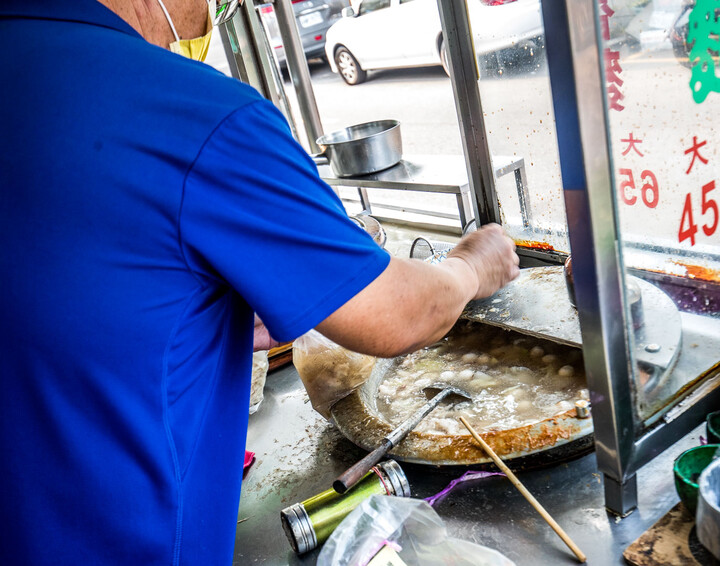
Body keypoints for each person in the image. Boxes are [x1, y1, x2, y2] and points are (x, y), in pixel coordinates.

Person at [0, 1, 519, 564]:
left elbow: (67, 284)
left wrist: (203, 323)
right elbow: (398, 314)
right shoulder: (193, 113)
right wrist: (471, 265)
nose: (203, 22)